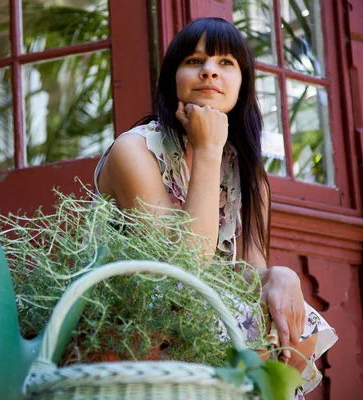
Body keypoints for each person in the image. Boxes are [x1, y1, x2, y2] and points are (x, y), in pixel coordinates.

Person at [93, 17, 337, 399]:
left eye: (226, 63)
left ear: (243, 85)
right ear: (172, 79)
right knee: (229, 321)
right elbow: (182, 270)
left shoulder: (248, 174)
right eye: (194, 60)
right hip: (140, 330)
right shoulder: (135, 151)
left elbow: (246, 272)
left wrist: (279, 275)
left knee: (291, 317)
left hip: (212, 327)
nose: (209, 71)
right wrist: (207, 150)